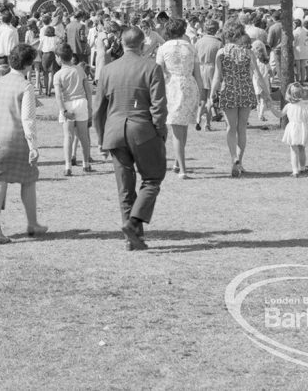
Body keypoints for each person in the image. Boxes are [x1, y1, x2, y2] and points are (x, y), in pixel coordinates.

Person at [93, 26, 166, 251]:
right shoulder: (152, 67)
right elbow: (159, 105)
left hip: (114, 131)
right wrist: (160, 130)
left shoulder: (107, 70)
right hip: (142, 129)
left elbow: (98, 110)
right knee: (152, 179)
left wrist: (101, 137)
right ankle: (133, 224)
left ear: (121, 43)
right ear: (143, 44)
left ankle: (131, 237)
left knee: (125, 188)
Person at [0, 43, 46, 245]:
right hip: (15, 140)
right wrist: (33, 145)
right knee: (28, 179)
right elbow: (28, 119)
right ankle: (32, 223)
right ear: (28, 64)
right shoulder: (26, 85)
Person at [208, 21, 258, 178]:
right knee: (242, 128)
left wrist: (211, 95)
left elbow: (217, 76)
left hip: (228, 89)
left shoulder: (221, 53)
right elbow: (255, 74)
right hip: (245, 90)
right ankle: (240, 162)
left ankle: (233, 158)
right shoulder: (248, 53)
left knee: (230, 127)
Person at [155, 19, 202, 178]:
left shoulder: (163, 48)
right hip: (189, 85)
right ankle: (178, 162)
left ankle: (181, 168)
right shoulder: (191, 48)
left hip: (172, 86)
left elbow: (158, 72)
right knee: (183, 126)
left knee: (176, 129)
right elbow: (198, 74)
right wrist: (201, 93)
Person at [53, 43, 93, 177]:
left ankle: (68, 166)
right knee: (83, 136)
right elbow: (88, 90)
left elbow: (58, 95)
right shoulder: (79, 70)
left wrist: (63, 110)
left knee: (68, 136)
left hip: (67, 103)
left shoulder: (58, 75)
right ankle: (86, 164)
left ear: (58, 58)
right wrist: (90, 108)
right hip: (81, 102)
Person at [280, 83, 308, 176]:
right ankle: (303, 168)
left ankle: (295, 170)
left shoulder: (288, 106)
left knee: (293, 150)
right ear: (302, 93)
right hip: (303, 129)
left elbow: (279, 115)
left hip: (292, 129)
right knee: (302, 149)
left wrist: (271, 108)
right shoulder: (306, 107)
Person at [194, 19, 222, 130]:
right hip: (213, 69)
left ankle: (198, 118)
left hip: (200, 69)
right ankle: (207, 123)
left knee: (202, 98)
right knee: (211, 97)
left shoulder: (198, 42)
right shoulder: (219, 43)